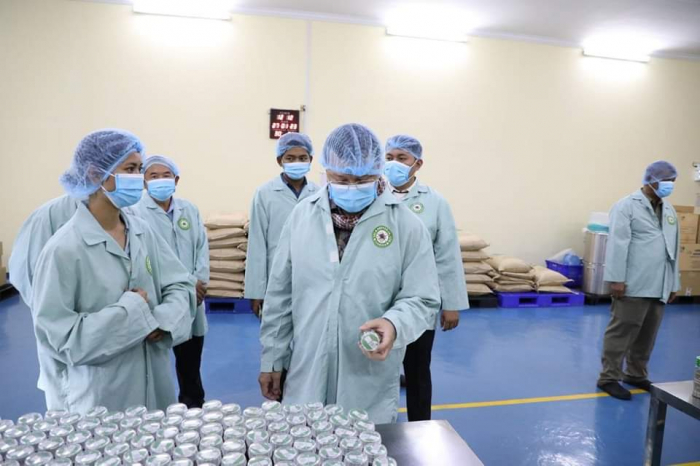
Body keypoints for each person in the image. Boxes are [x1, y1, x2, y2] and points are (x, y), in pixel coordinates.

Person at [258, 124, 441, 424]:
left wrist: (394, 324)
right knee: (304, 440)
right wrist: (272, 360)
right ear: (326, 171)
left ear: (378, 172)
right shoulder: (302, 217)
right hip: (307, 369)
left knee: (363, 443)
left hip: (367, 377)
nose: (352, 187)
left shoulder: (406, 226)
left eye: (363, 180)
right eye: (342, 179)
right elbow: (280, 294)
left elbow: (422, 298)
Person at [31, 129, 197, 413]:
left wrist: (161, 320)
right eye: (130, 169)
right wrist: (131, 311)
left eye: (139, 169)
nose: (139, 179)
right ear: (96, 174)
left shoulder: (142, 231)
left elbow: (180, 285)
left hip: (154, 385)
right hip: (101, 398)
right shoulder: (64, 249)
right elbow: (61, 339)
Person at [384, 134, 469, 421]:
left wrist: (451, 303)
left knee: (418, 369)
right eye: (389, 158)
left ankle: (420, 429)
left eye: (402, 158)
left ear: (417, 164)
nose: (394, 164)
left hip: (421, 299)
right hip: (378, 297)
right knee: (376, 369)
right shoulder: (373, 196)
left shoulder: (435, 202)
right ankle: (376, 429)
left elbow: (447, 254)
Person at [126, 155, 209, 408]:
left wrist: (198, 281)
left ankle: (193, 406)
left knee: (190, 362)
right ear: (143, 181)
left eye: (166, 175)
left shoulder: (189, 209)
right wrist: (186, 284)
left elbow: (201, 247)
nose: (160, 180)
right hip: (157, 296)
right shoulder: (133, 212)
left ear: (176, 179)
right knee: (157, 358)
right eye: (153, 176)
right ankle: (158, 410)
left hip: (193, 296)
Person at [597, 161, 680, 400]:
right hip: (633, 282)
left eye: (673, 182)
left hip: (659, 284)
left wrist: (674, 282)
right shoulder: (626, 206)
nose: (670, 186)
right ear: (652, 180)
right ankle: (609, 377)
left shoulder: (669, 210)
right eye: (667, 182)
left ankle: (635, 374)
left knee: (647, 334)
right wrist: (616, 279)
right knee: (621, 331)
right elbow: (617, 244)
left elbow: (674, 248)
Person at [8, 195, 80, 409]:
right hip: (67, 338)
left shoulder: (127, 213)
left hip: (119, 343)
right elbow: (26, 275)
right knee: (72, 414)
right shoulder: (49, 216)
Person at [245, 132, 319, 317]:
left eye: (302, 158)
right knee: (275, 330)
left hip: (312, 278)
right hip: (275, 278)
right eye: (290, 158)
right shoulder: (265, 194)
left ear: (310, 160)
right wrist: (256, 291)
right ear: (280, 160)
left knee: (310, 329)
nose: (297, 162)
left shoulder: (319, 194)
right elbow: (257, 244)